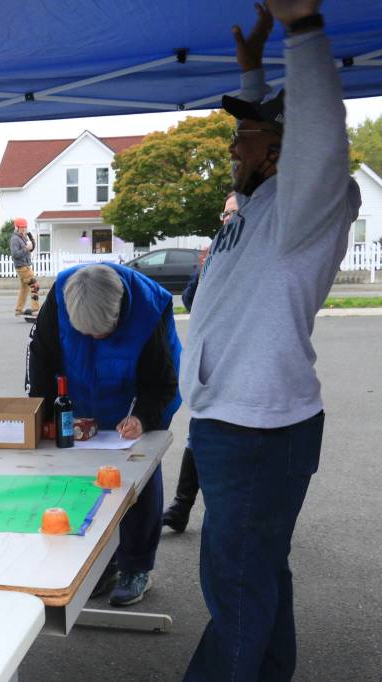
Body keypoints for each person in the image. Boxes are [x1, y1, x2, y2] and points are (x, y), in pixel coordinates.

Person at [181, 2, 361, 679]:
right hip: (237, 423)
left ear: (285, 149)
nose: (234, 144)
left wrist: (303, 30)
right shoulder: (260, 201)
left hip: (255, 432)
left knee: (236, 588)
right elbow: (270, 128)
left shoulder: (304, 205)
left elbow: (316, 130)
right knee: (258, 576)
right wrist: (253, 74)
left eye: (246, 135)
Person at [26, 263, 181, 606]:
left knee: (135, 479)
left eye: (103, 332)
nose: (95, 338)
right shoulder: (61, 298)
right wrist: (41, 413)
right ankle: (104, 562)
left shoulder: (148, 309)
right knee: (81, 476)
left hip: (140, 397)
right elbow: (41, 359)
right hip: (83, 395)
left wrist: (142, 417)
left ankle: (136, 566)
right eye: (86, 333)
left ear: (120, 311)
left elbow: (163, 383)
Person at [162, 193, 237, 533]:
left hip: (241, 362)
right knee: (198, 432)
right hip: (209, 362)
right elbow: (191, 300)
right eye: (224, 213)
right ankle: (181, 508)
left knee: (229, 439)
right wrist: (205, 270)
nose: (227, 219)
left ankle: (226, 513)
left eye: (234, 213)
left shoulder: (257, 254)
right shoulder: (216, 253)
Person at [10, 217, 40, 316]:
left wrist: (31, 244)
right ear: (17, 228)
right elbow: (15, 254)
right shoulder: (15, 239)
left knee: (24, 288)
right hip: (22, 267)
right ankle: (35, 309)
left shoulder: (24, 237)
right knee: (34, 285)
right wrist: (26, 249)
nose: (23, 229)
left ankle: (19, 310)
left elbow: (29, 250)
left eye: (25, 227)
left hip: (25, 265)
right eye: (21, 227)